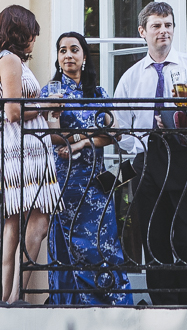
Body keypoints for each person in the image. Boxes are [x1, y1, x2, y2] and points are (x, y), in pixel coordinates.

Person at [110, 1, 187, 305]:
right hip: (148, 164)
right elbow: (120, 129)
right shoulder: (132, 77)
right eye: (157, 26)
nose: (164, 31)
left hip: (186, 160)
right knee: (155, 236)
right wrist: (140, 146)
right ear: (142, 32)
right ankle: (162, 304)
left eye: (168, 25)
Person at [40, 31, 135, 306]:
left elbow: (113, 133)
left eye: (74, 49)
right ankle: (71, 304)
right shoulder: (52, 91)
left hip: (96, 181)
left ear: (84, 57)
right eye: (62, 51)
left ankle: (111, 303)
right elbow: (54, 137)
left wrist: (80, 141)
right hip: (66, 180)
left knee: (102, 241)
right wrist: (89, 135)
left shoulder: (98, 92)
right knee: (68, 244)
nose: (68, 55)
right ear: (58, 58)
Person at [0, 5, 62, 304]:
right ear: (20, 31)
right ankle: (15, 295)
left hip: (16, 146)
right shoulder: (11, 60)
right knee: (38, 222)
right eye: (31, 33)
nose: (34, 40)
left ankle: (7, 297)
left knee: (13, 224)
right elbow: (13, 111)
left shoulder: (1, 60)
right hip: (21, 147)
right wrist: (47, 104)